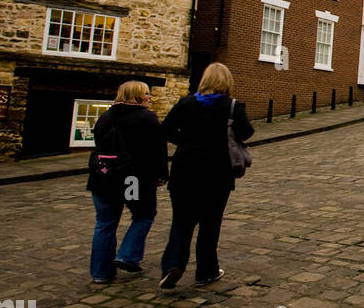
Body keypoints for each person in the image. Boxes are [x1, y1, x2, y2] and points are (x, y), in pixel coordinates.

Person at [158, 62, 253, 290]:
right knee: (210, 224)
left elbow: (164, 130)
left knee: (182, 221)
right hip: (216, 173)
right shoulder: (232, 106)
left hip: (184, 171)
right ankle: (206, 271)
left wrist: (186, 142)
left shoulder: (186, 103)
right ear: (226, 81)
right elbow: (247, 132)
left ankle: (173, 265)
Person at [86, 81, 168, 284]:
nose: (149, 97)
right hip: (132, 181)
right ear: (137, 95)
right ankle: (127, 255)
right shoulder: (146, 117)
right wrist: (161, 175)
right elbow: (158, 149)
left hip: (103, 178)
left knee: (105, 224)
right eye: (146, 93)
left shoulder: (106, 116)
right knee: (144, 215)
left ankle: (100, 273)